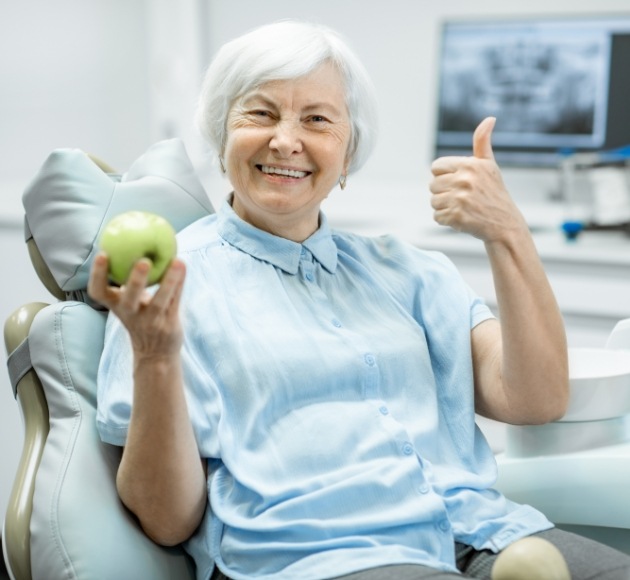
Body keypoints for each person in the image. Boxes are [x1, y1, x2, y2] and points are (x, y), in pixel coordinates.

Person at [89, 20, 630, 580]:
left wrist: (508, 233)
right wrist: (153, 355)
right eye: (261, 113)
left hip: (484, 532)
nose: (285, 140)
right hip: (322, 559)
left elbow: (535, 399)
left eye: (317, 120)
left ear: (348, 153)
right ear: (222, 133)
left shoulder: (410, 272)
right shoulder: (169, 289)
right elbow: (167, 520)